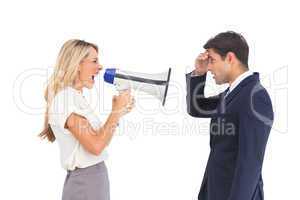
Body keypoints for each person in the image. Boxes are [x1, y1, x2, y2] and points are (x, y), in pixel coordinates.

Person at [39, 39, 134, 200]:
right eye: (94, 61)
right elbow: (96, 146)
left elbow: (98, 140)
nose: (100, 67)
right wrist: (115, 112)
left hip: (92, 180)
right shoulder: (65, 99)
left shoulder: (75, 97)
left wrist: (118, 113)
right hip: (86, 182)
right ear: (77, 64)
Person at [186, 31, 274, 200]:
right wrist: (199, 73)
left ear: (230, 58)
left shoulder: (255, 97)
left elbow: (249, 166)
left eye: (212, 60)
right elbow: (197, 108)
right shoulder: (234, 93)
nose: (209, 67)